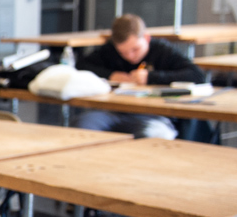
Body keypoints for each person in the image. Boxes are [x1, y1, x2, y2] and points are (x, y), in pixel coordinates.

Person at [75, 14, 206, 139]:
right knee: (83, 125)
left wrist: (151, 77)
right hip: (113, 111)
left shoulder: (162, 50)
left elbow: (197, 75)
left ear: (147, 38)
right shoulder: (110, 50)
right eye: (123, 52)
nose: (130, 56)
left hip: (153, 115)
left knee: (154, 134)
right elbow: (80, 66)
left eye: (135, 49)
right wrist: (111, 75)